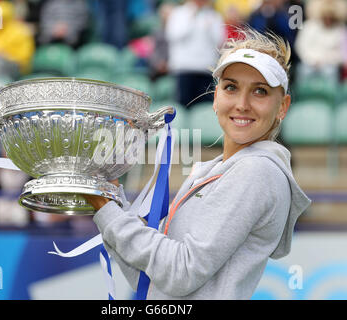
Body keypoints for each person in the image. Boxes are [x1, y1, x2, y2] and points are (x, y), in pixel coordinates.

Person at [82, 28, 312, 299]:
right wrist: (110, 198)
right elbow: (148, 278)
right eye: (231, 87)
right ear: (216, 98)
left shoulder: (257, 171)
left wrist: (107, 210)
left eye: (260, 91)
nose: (242, 104)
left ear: (283, 107)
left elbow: (181, 273)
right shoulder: (214, 170)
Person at [165, 0, 225, 108]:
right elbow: (174, 35)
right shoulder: (178, 13)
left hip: (206, 69)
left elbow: (219, 41)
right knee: (183, 106)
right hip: (184, 68)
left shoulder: (214, 15)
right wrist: (191, 17)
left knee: (205, 108)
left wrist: (209, 26)